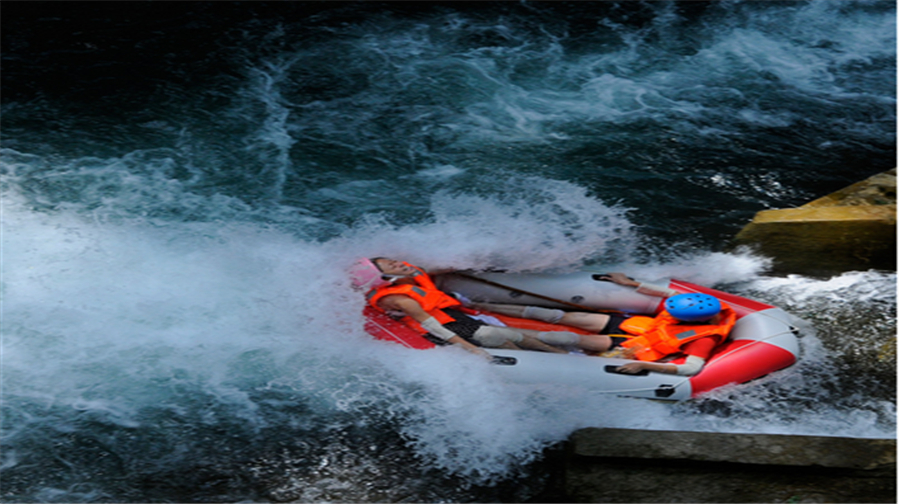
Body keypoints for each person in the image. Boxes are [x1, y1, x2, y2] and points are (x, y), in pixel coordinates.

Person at [467, 273, 737, 376]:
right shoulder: (698, 304)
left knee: (563, 338)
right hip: (636, 325)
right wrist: (633, 284)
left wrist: (643, 365)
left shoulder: (705, 338)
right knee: (559, 317)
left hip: (633, 347)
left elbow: (691, 368)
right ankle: (476, 305)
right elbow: (670, 295)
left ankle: (488, 333)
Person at [350, 257, 609, 358]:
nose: (397, 263)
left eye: (392, 260)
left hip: (456, 313)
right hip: (443, 327)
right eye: (390, 266)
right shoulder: (397, 299)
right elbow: (433, 326)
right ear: (384, 280)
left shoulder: (413, 274)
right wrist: (472, 350)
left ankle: (589, 348)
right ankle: (561, 357)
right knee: (498, 337)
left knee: (540, 335)